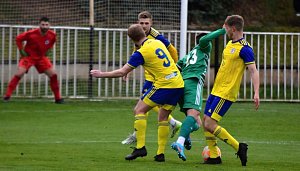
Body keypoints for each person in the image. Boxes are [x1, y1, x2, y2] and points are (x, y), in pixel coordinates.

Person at [91, 24, 184, 162]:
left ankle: (140, 147)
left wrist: (101, 74)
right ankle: (160, 154)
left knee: (139, 110)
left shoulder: (141, 53)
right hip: (178, 83)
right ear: (144, 33)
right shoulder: (157, 42)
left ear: (131, 39)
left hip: (165, 85)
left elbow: (122, 71)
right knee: (163, 117)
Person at [202, 15, 260, 166]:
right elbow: (225, 27)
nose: (224, 29)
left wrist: (256, 92)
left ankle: (239, 147)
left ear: (233, 29)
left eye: (226, 27)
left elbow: (253, 71)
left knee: (210, 124)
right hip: (216, 90)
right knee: (205, 122)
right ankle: (215, 156)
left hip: (226, 92)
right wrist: (227, 22)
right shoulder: (229, 43)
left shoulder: (245, 49)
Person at [121, 11, 182, 145]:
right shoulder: (140, 36)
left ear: (151, 23)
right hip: (151, 74)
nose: (143, 26)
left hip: (158, 77)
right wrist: (128, 72)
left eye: (146, 23)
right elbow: (136, 53)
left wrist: (175, 67)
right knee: (144, 104)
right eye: (141, 23)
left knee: (142, 105)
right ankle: (171, 123)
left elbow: (172, 50)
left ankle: (139, 135)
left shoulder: (157, 36)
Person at [171, 28, 226, 161]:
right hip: (193, 82)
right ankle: (180, 142)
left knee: (197, 122)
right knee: (194, 114)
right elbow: (204, 39)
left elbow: (176, 67)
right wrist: (223, 30)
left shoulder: (189, 55)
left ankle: (185, 133)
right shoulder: (203, 47)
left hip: (180, 84)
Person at [3, 17, 63, 104]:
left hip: (41, 57)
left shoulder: (52, 35)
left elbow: (52, 42)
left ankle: (58, 99)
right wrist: (21, 51)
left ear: (49, 25)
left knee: (53, 75)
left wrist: (48, 51)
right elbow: (18, 38)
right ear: (39, 25)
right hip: (29, 57)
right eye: (43, 24)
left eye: (46, 25)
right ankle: (7, 96)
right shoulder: (31, 33)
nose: (45, 26)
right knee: (19, 73)